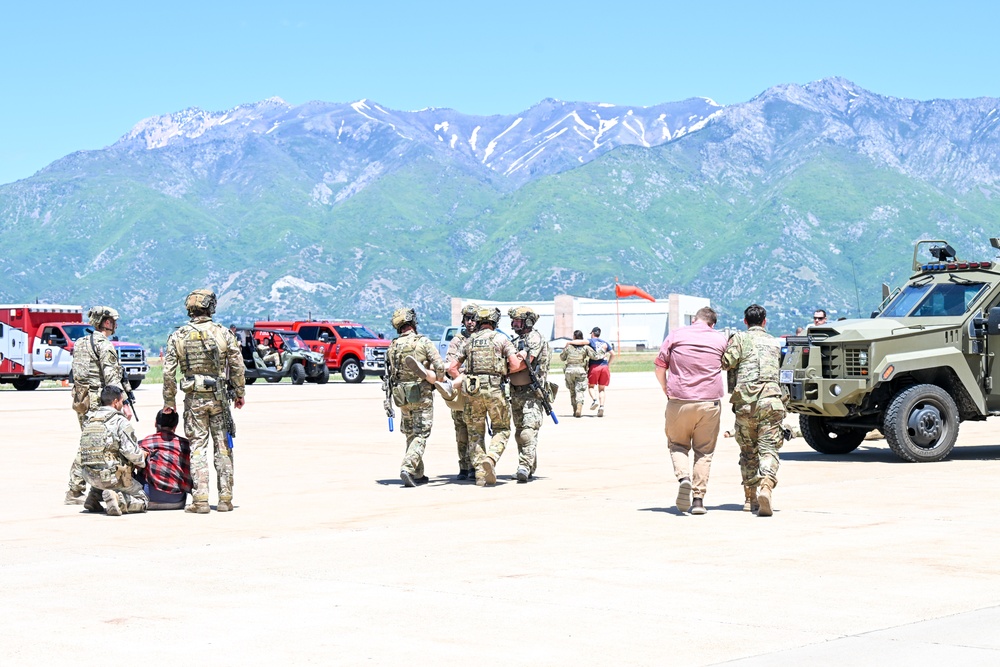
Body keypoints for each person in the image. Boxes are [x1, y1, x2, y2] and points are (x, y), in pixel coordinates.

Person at [162, 289, 246, 514]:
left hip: (194, 399)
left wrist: (169, 401)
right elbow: (237, 365)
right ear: (211, 307)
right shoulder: (223, 333)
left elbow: (168, 372)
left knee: (197, 446)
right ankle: (225, 499)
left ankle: (200, 500)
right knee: (223, 447)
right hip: (219, 399)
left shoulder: (178, 335)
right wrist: (239, 392)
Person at [653, 307, 728, 515]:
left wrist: (666, 388)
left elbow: (660, 367)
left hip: (679, 400)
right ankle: (698, 500)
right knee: (704, 452)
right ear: (712, 324)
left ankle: (683, 477)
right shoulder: (720, 339)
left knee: (677, 445)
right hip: (709, 403)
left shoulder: (676, 335)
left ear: (694, 320)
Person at [721, 304, 786, 517]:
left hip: (746, 403)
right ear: (765, 321)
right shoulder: (774, 342)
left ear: (745, 321)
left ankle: (750, 500)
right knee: (769, 449)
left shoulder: (740, 339)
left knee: (748, 452)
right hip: (771, 401)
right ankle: (766, 485)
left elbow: (727, 362)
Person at [449, 307, 524, 486]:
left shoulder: (469, 341)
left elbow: (452, 368)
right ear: (494, 322)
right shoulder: (501, 339)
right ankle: (491, 458)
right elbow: (514, 365)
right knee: (502, 428)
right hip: (495, 390)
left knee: (475, 433)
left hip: (472, 391)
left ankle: (480, 475)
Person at [65, 305, 132, 505]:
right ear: (107, 322)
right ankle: (75, 490)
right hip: (96, 401)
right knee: (93, 445)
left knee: (89, 442)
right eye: (113, 321)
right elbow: (111, 379)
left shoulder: (81, 343)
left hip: (81, 399)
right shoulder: (104, 345)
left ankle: (89, 493)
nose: (115, 324)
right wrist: (124, 403)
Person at [386, 307, 445, 487]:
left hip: (402, 396)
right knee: (421, 434)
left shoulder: (393, 346)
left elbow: (389, 374)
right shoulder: (424, 342)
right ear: (413, 322)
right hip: (421, 394)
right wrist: (434, 375)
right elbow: (440, 369)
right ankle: (408, 467)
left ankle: (418, 474)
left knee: (410, 434)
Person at [78, 386, 148, 516]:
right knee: (142, 498)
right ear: (116, 402)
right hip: (110, 478)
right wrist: (142, 458)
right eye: (122, 401)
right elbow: (130, 451)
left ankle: (94, 496)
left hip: (88, 475)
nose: (122, 405)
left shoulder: (90, 419)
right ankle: (119, 500)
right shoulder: (120, 421)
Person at [507, 306, 551, 482]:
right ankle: (529, 467)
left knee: (528, 431)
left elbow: (520, 365)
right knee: (520, 433)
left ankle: (524, 466)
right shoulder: (517, 340)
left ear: (528, 322)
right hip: (516, 392)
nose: (513, 323)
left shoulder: (534, 338)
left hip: (532, 393)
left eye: (517, 320)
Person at [444, 303, 479, 479]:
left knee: (476, 430)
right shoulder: (457, 341)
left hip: (477, 391)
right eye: (468, 319)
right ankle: (464, 466)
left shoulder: (483, 338)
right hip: (461, 391)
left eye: (473, 318)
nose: (471, 322)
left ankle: (475, 465)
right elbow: (451, 366)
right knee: (461, 431)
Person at [137, 409, 192, 510]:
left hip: (148, 497)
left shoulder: (144, 443)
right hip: (178, 500)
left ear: (155, 423)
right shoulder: (186, 445)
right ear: (175, 426)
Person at [561, 330, 595, 417]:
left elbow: (562, 357)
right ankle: (579, 408)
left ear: (574, 337)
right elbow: (594, 356)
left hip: (569, 371)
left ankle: (575, 409)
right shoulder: (585, 347)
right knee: (579, 390)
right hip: (580, 370)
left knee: (572, 391)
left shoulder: (569, 347)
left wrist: (565, 348)